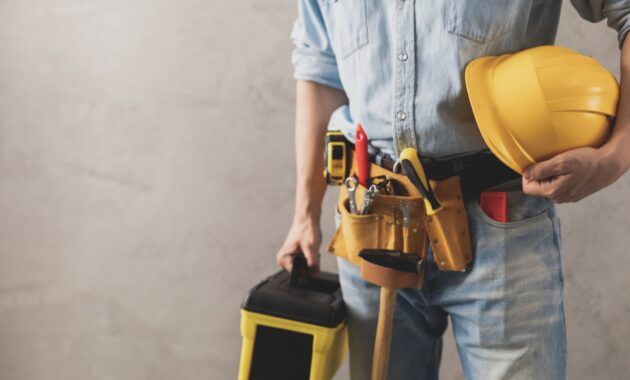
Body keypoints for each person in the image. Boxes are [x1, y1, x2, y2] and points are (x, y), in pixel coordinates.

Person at [277, 1, 630, 379]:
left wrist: (617, 154)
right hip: (372, 222)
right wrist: (305, 215)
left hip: (502, 225)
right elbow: (320, 67)